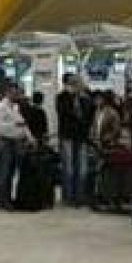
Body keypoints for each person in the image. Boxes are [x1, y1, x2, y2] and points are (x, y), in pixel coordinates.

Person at [0, 84, 31, 210]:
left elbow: (23, 124)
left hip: (15, 143)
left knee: (11, 172)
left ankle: (8, 198)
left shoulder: (15, 107)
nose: (17, 95)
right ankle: (3, 200)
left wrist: (29, 137)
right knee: (4, 172)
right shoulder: (0, 107)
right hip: (4, 143)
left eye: (17, 93)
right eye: (14, 93)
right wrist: (15, 125)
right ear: (7, 93)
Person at [56, 75, 92, 207]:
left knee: (82, 169)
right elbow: (64, 113)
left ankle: (80, 196)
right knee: (69, 168)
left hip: (81, 137)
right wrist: (72, 98)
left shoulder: (85, 99)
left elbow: (88, 115)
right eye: (76, 84)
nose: (78, 87)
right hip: (67, 136)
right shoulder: (62, 98)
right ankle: (69, 196)